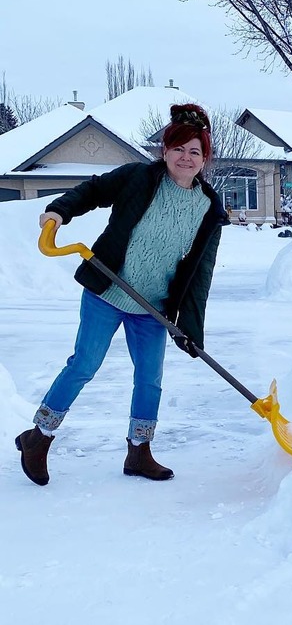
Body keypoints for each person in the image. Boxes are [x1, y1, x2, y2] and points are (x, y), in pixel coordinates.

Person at [14, 103, 229, 485]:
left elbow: (200, 274)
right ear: (165, 150)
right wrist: (58, 213)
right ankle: (39, 437)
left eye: (195, 151)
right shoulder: (138, 178)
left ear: (205, 158)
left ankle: (139, 451)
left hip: (153, 307)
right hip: (108, 290)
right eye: (178, 148)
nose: (185, 157)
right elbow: (92, 191)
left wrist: (191, 329)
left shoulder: (209, 209)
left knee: (150, 378)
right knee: (84, 365)